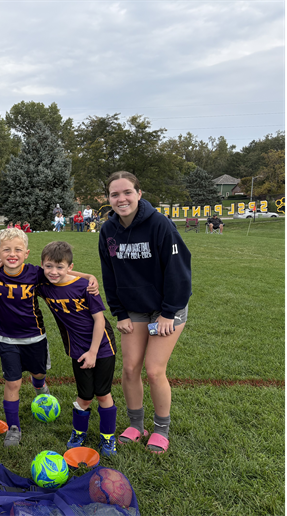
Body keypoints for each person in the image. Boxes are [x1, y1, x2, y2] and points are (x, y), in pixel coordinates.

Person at [97, 171, 192, 455]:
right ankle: (136, 425)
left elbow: (179, 272)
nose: (121, 198)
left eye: (127, 192)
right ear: (109, 199)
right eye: (115, 194)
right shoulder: (108, 231)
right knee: (129, 368)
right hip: (133, 309)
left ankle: (161, 429)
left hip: (167, 307)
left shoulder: (160, 224)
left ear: (139, 193)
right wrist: (120, 313)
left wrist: (168, 313)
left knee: (154, 369)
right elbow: (110, 276)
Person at [0, 228, 97, 447]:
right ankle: (14, 427)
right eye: (6, 250)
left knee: (39, 372)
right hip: (7, 339)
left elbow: (64, 273)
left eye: (17, 250)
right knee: (12, 383)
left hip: (35, 337)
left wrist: (89, 276)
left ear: (27, 253)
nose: (12, 254)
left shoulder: (36, 273)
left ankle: (40, 387)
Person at [38, 241, 119, 457]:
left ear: (70, 267)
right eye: (48, 267)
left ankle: (108, 438)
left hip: (102, 346)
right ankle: (78, 433)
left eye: (60, 267)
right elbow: (17, 271)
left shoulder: (85, 287)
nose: (53, 272)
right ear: (42, 266)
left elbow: (100, 321)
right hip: (77, 348)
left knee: (103, 393)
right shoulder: (43, 285)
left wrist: (93, 352)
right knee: (84, 395)